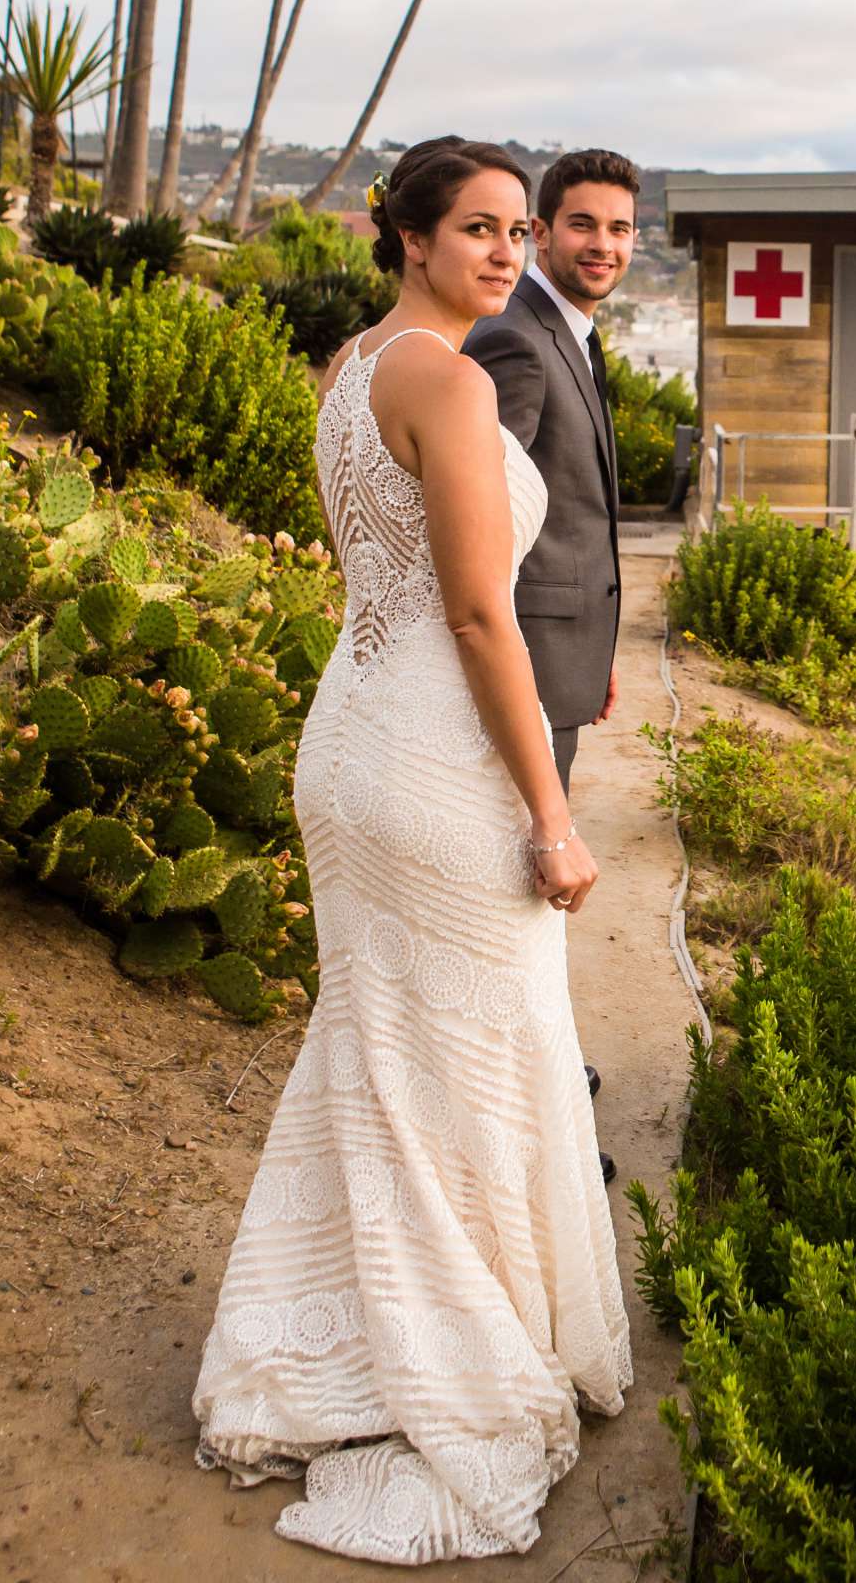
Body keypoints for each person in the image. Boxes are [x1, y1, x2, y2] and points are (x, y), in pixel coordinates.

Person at [193, 138, 631, 1564]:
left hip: (355, 734)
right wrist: (552, 816)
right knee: (477, 1049)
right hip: (433, 758)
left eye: (519, 230)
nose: (508, 253)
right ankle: (450, 1364)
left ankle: (336, 1342)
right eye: (482, 230)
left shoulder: (353, 366)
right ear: (412, 238)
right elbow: (476, 615)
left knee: (388, 1053)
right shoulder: (441, 378)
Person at [462, 148, 637, 795]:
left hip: (563, 658)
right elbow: (476, 524)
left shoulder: (570, 335)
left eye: (619, 229)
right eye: (582, 224)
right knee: (528, 868)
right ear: (540, 232)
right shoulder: (516, 341)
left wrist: (594, 650)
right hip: (522, 668)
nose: (602, 245)